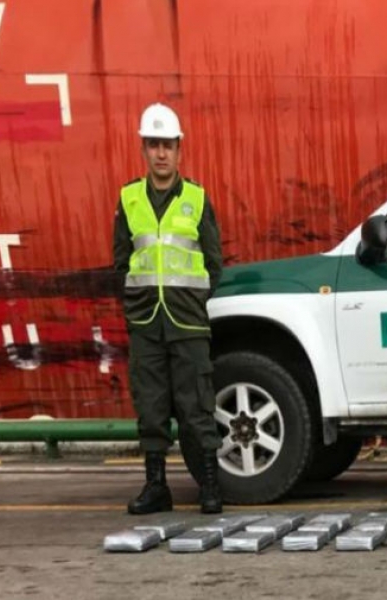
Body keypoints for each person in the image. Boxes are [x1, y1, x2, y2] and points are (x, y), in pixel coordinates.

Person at [113, 103, 224, 514]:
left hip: (188, 324)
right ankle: (157, 487)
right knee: (151, 408)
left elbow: (214, 264)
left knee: (198, 406)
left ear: (180, 150)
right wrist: (133, 306)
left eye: (168, 145)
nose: (161, 153)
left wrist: (194, 303)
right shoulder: (129, 199)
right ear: (144, 149)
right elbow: (120, 263)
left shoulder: (196, 199)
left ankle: (211, 486)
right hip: (145, 322)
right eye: (154, 144)